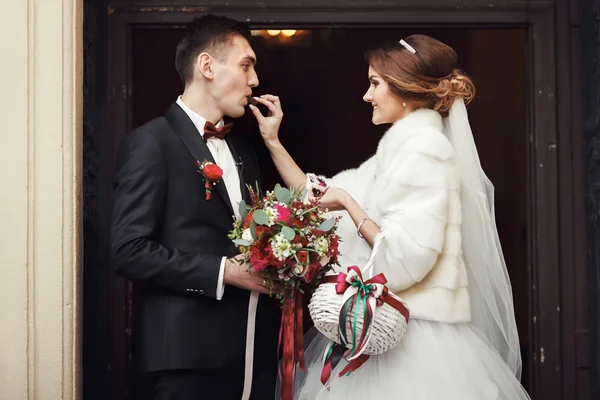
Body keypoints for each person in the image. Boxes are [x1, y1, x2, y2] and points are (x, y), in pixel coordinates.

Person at [250, 34, 531, 399]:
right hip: (385, 333)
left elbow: (405, 259)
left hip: (414, 342)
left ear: (405, 89)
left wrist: (352, 207)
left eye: (375, 84)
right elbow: (319, 196)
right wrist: (273, 140)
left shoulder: (425, 151)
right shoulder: (397, 151)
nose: (367, 95)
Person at [110, 14, 281, 400]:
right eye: (246, 65)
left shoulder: (245, 153)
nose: (254, 81)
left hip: (252, 355)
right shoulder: (152, 142)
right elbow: (127, 251)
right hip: (186, 360)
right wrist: (226, 272)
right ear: (207, 66)